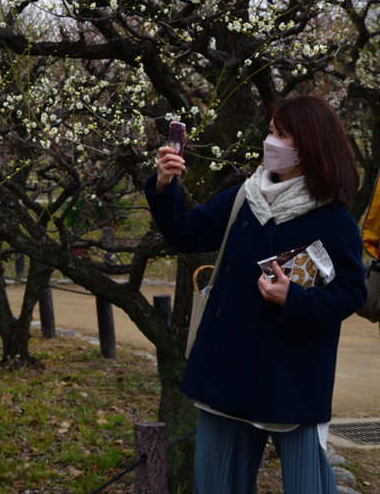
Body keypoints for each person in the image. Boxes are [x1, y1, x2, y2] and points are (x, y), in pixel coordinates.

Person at [145, 95, 366, 494]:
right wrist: (165, 187)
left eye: (281, 134)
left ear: (308, 147)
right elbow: (189, 233)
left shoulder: (334, 221)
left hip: (292, 381)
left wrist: (293, 299)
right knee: (216, 485)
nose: (270, 141)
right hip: (225, 371)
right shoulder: (246, 197)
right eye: (271, 131)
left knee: (308, 485)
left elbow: (351, 293)